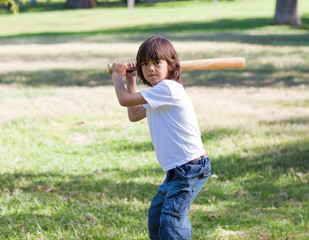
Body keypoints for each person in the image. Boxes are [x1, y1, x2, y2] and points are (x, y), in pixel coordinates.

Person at [111, 35, 211, 240]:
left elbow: (124, 101)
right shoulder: (157, 93)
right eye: (145, 64)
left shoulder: (169, 89)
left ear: (171, 64)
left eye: (157, 62)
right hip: (177, 170)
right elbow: (134, 114)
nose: (150, 68)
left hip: (190, 167)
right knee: (157, 216)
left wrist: (117, 76)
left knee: (171, 222)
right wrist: (130, 80)